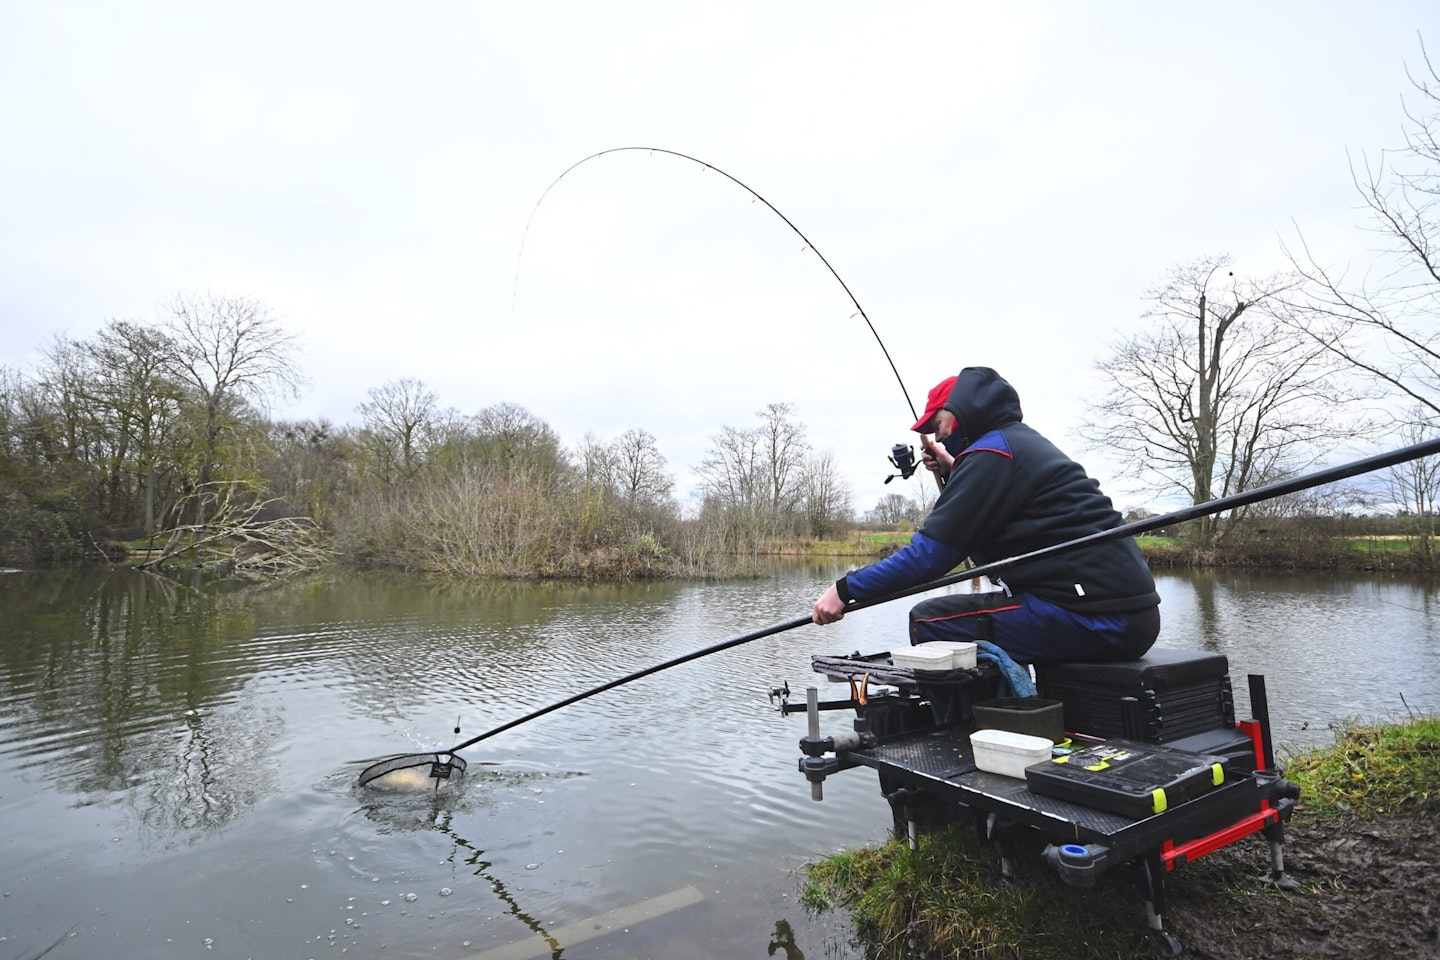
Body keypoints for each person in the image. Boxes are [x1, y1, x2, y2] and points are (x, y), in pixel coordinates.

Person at [812, 366, 1160, 665]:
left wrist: (845, 589)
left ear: (960, 410)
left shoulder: (990, 456)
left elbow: (927, 559)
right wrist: (954, 471)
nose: (937, 437)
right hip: (1123, 614)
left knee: (928, 621)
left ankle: (979, 727)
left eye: (938, 425)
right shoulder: (1010, 444)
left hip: (1099, 619)